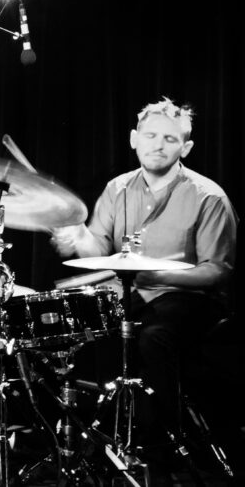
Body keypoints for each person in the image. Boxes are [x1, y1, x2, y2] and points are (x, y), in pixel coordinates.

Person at [51, 97, 237, 481]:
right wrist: (79, 237)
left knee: (153, 339)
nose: (158, 144)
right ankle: (96, 447)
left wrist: (155, 277)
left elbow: (216, 272)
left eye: (170, 138)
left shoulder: (208, 196)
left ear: (185, 147)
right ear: (134, 139)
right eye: (150, 135)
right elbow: (98, 252)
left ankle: (163, 451)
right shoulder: (117, 188)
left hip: (190, 300)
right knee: (71, 335)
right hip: (133, 296)